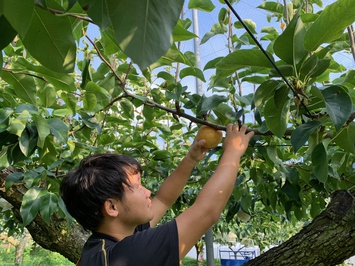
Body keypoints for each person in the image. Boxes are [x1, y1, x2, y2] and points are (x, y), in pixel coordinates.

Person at [60, 124, 254, 266]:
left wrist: (190, 159)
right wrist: (233, 153)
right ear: (111, 207)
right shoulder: (126, 256)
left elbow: (163, 199)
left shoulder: (104, 245)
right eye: (137, 187)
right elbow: (207, 211)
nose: (148, 192)